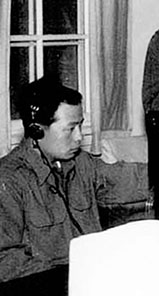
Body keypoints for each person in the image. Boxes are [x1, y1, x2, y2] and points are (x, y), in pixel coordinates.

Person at [0, 77, 149, 283]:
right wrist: (71, 279)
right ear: (36, 130)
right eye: (70, 128)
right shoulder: (9, 180)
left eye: (80, 126)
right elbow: (6, 262)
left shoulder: (81, 163)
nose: (79, 137)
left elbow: (128, 178)